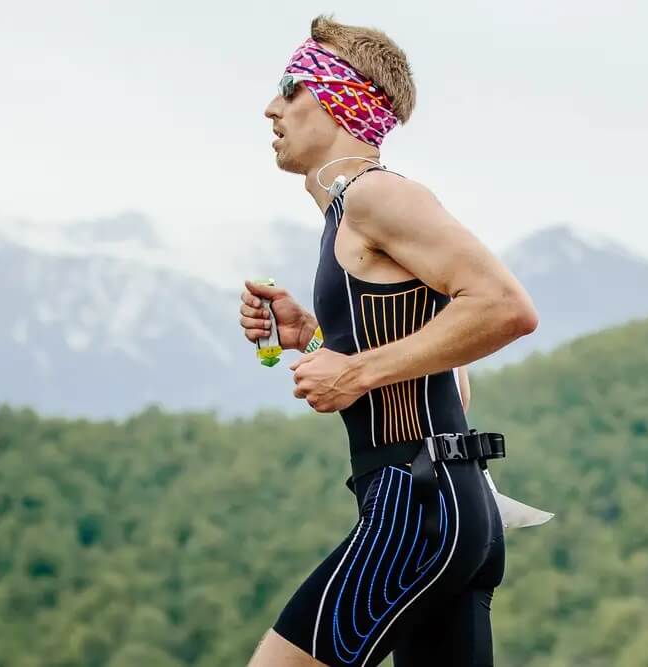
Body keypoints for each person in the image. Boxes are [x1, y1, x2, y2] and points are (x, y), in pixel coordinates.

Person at [238, 15, 538, 667]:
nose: (270, 108)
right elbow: (449, 371)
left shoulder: (378, 196)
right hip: (450, 508)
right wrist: (311, 336)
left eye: (290, 87)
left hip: (417, 511)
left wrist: (356, 373)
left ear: (339, 96)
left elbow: (507, 308)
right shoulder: (350, 217)